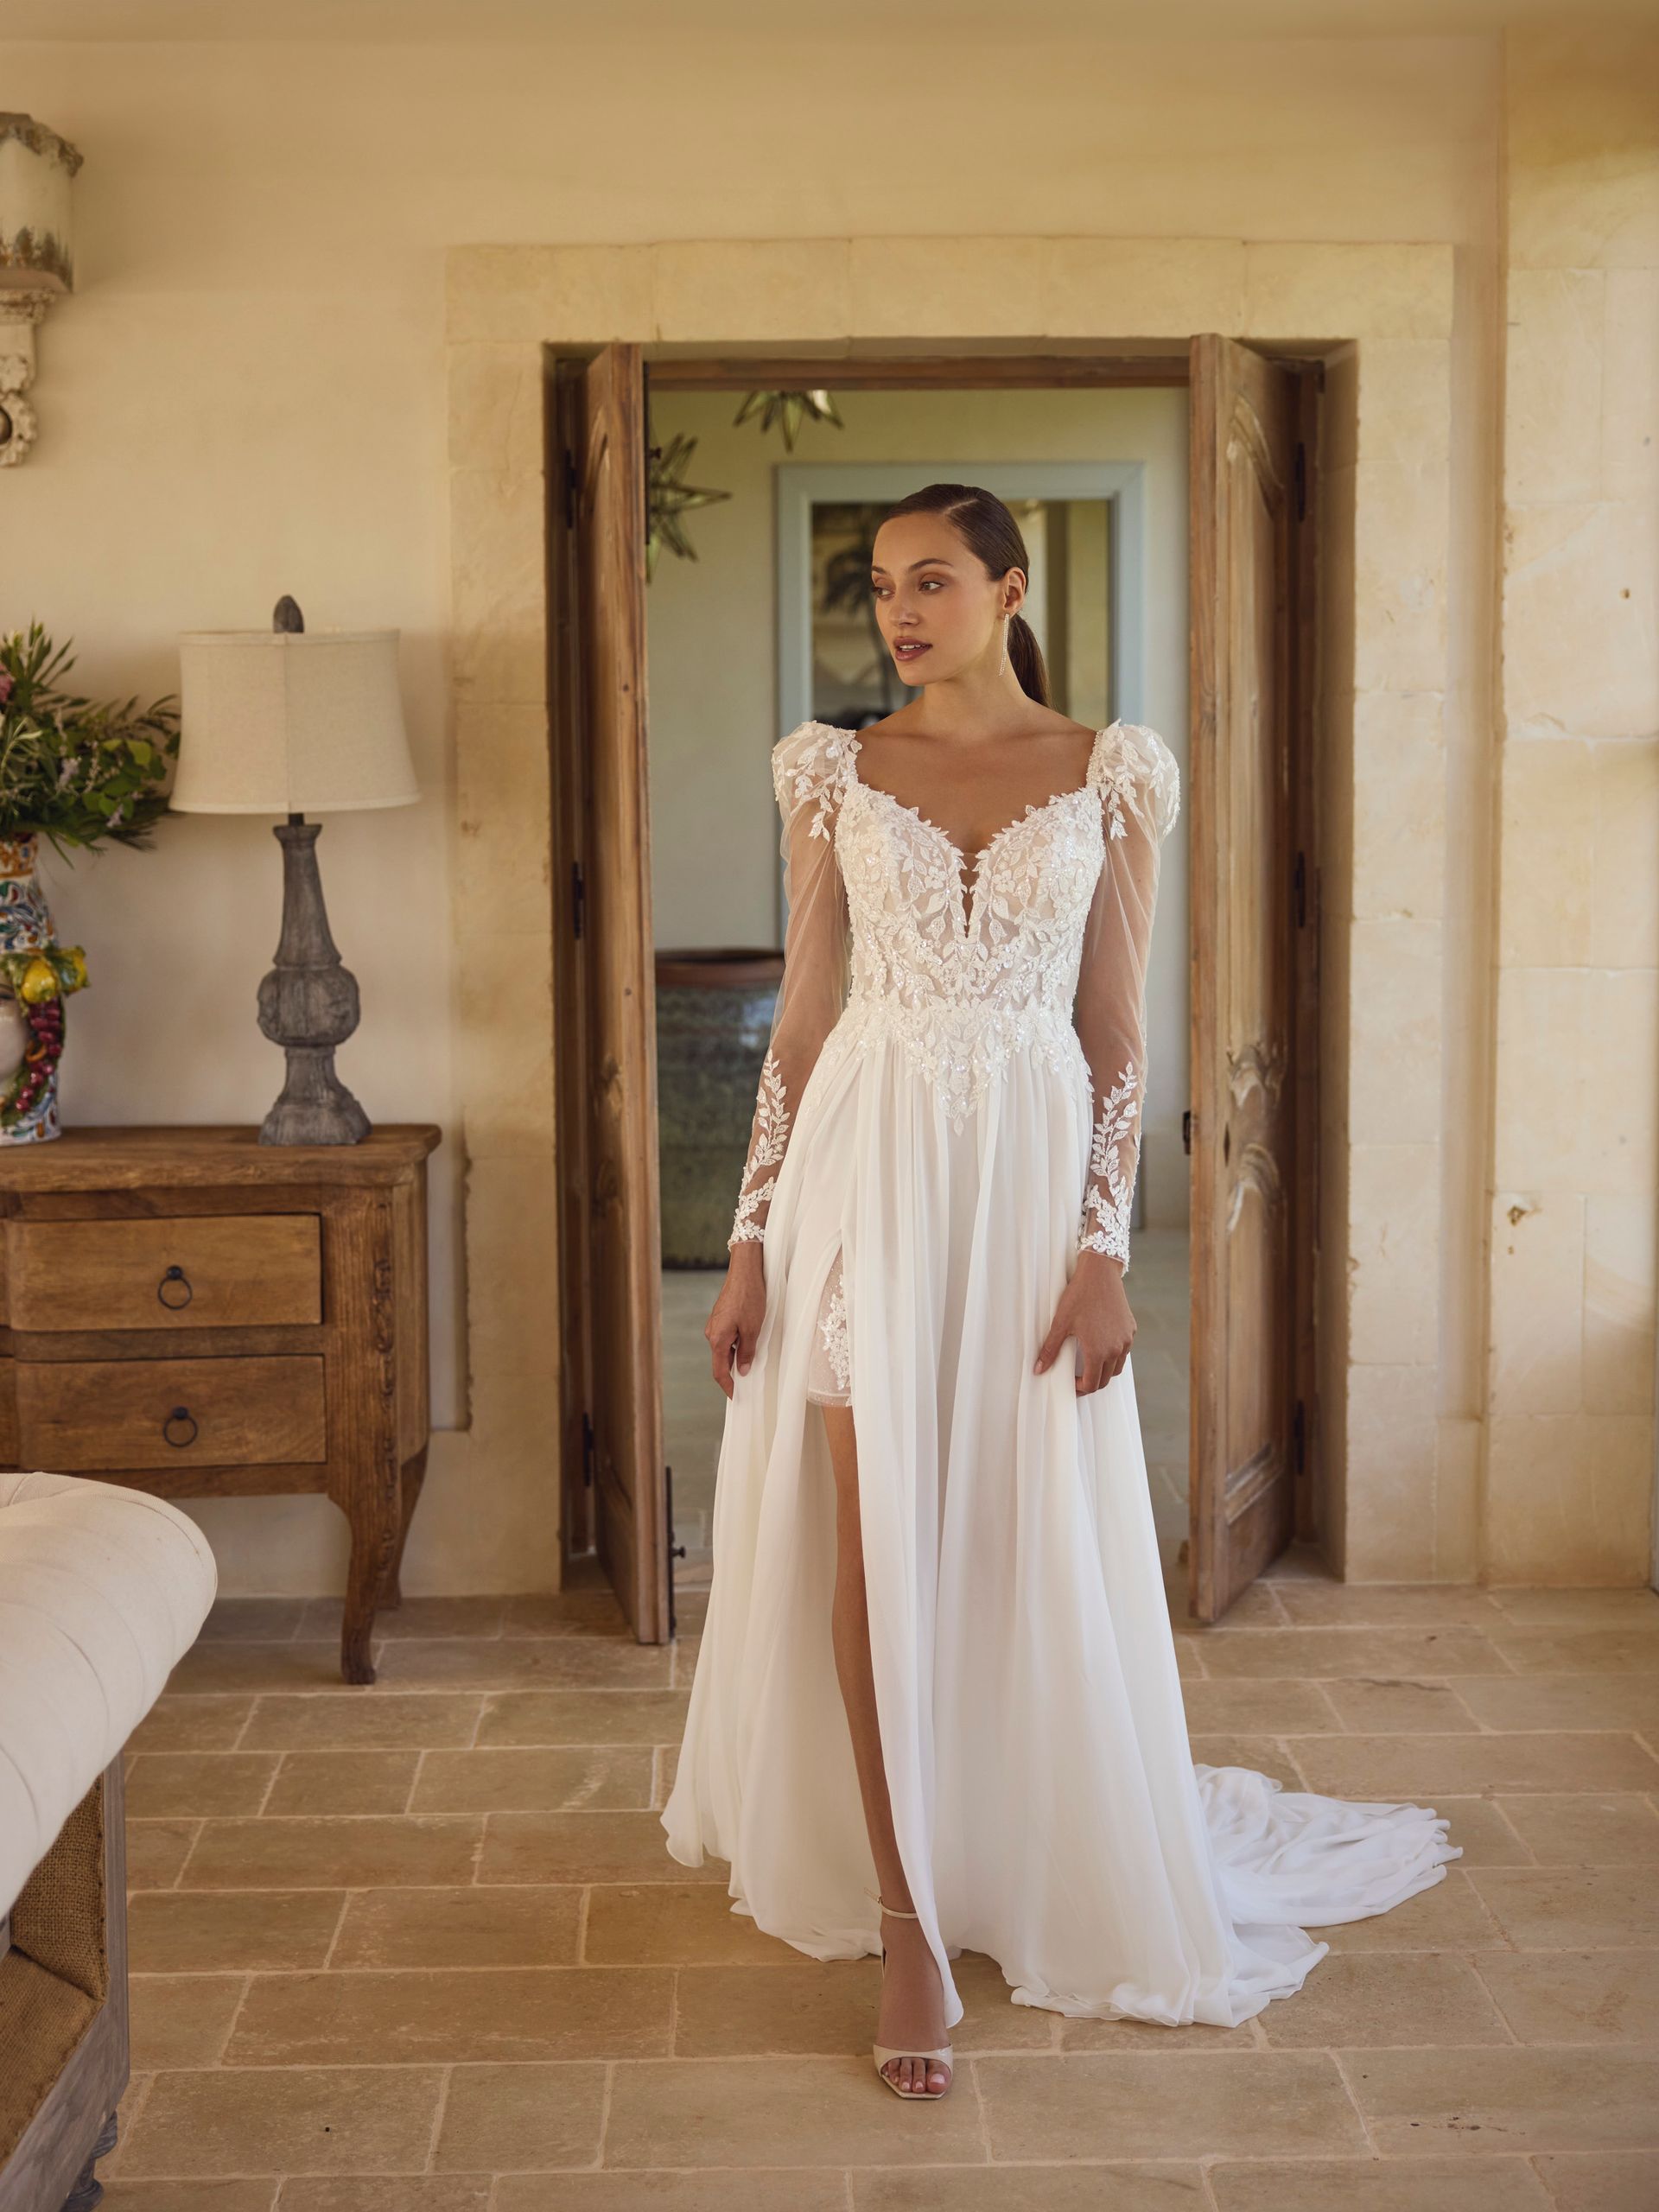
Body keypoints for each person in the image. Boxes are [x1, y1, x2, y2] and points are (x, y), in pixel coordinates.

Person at [660, 481, 1460, 2101]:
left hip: (1030, 1193)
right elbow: (802, 1032)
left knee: (1015, 1539)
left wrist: (1104, 1249)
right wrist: (752, 1237)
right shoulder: (831, 770)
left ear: (1009, 589)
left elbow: (1114, 1038)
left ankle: (1017, 1847)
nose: (901, 609)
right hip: (860, 1184)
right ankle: (903, 1920)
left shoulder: (1112, 770)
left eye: (934, 579)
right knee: (871, 1547)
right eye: (883, 583)